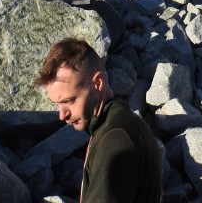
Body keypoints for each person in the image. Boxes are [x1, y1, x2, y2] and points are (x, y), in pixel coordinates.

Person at [36, 38, 162, 203]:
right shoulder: (118, 124)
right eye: (57, 104)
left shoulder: (115, 142)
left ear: (98, 82)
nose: (62, 115)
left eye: (69, 101)